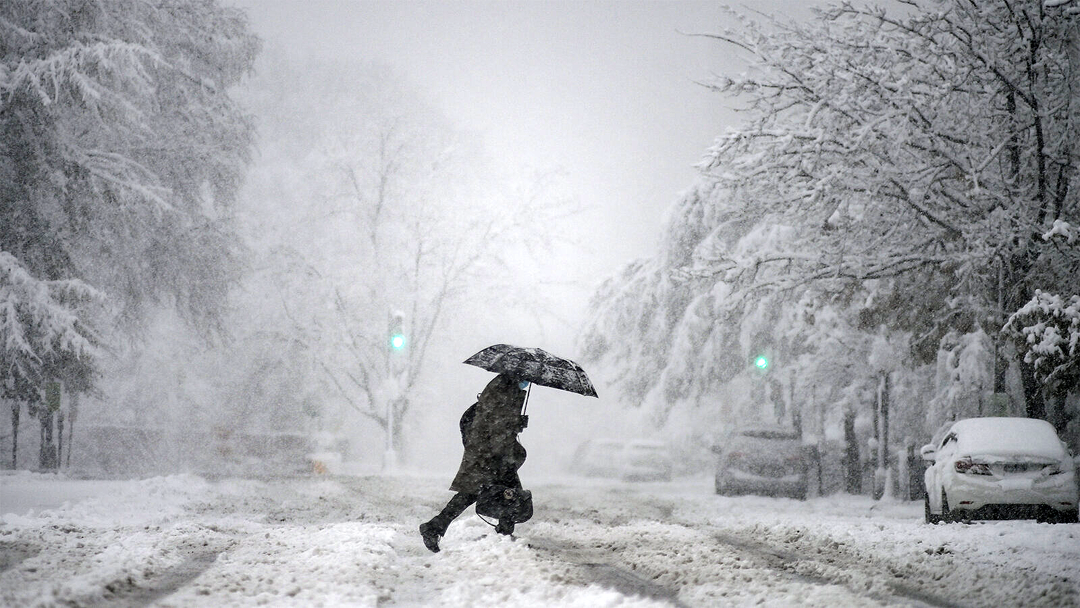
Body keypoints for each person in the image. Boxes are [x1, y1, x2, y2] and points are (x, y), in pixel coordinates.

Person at [419, 373, 529, 553]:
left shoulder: (506, 387)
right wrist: (515, 424)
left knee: (476, 492)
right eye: (526, 378)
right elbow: (496, 424)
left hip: (489, 451)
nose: (528, 382)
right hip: (491, 453)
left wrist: (515, 424)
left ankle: (435, 527)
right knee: (510, 492)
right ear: (519, 374)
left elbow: (496, 421)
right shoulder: (503, 389)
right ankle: (504, 535)